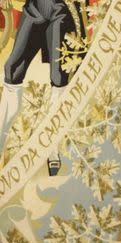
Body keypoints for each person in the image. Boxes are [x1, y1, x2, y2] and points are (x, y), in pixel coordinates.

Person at [0, 0, 88, 175]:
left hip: (64, 10)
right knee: (12, 69)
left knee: (59, 77)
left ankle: (52, 147)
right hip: (36, 6)